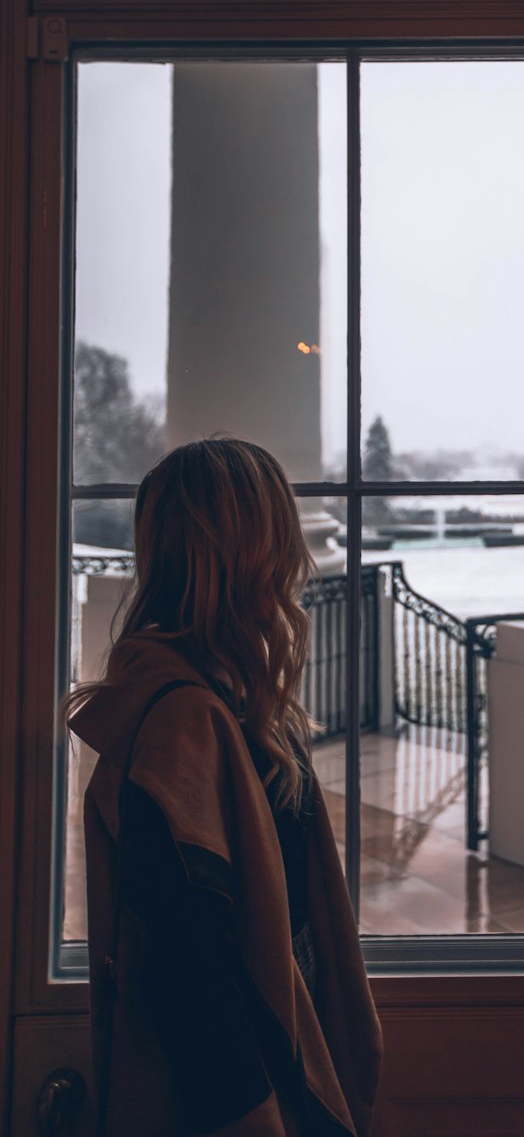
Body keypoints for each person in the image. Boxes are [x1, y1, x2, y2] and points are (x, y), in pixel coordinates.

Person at [65, 438, 382, 1137]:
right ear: (254, 552)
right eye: (283, 534)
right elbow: (187, 978)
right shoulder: (184, 723)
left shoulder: (226, 703)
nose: (298, 562)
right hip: (246, 1103)